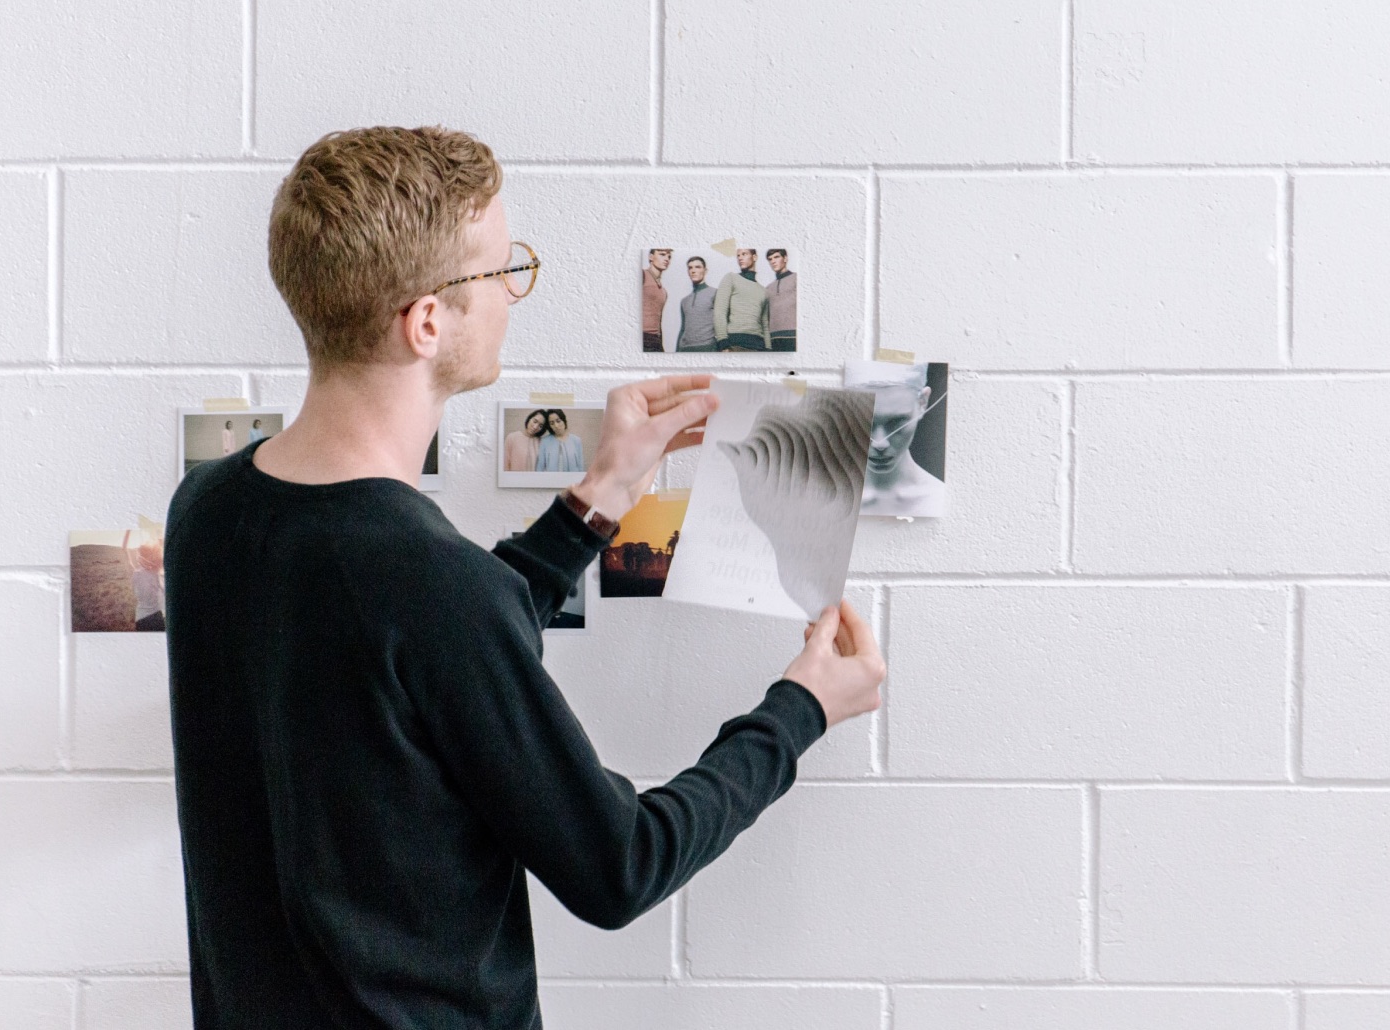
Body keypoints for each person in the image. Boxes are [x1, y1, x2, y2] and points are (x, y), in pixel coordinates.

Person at [163, 125, 885, 1030]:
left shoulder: (208, 511)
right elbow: (620, 864)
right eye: (502, 272)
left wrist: (601, 494)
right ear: (427, 321)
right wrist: (802, 707)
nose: (513, 292)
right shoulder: (426, 585)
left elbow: (431, 658)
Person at [854, 363, 946, 517]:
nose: (880, 443)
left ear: (922, 403)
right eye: (864, 421)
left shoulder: (938, 498)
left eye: (896, 422)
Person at [713, 247, 769, 351]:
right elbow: (720, 311)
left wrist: (768, 348)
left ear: (755, 257)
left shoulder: (764, 291)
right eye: (738, 255)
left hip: (759, 346)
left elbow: (765, 323)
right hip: (735, 343)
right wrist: (722, 342)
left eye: (744, 254)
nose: (740, 258)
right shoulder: (731, 278)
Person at [675, 255, 717, 351]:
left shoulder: (715, 293)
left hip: (707, 347)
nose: (693, 270)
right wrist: (677, 352)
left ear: (705, 271)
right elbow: (682, 329)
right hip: (685, 349)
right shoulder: (684, 301)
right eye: (690, 268)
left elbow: (723, 322)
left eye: (697, 267)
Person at [535, 407, 586, 473]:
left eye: (558, 421)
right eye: (552, 423)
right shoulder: (545, 441)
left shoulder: (576, 440)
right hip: (552, 481)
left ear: (564, 421)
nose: (556, 425)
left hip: (572, 481)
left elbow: (580, 466)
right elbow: (540, 467)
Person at [764, 248, 796, 352]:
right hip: (774, 338)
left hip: (793, 335)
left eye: (776, 257)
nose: (773, 261)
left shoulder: (797, 279)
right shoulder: (768, 288)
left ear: (785, 258)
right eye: (770, 259)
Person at [641, 248, 670, 352]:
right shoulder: (642, 275)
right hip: (642, 338)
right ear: (651, 257)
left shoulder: (663, 291)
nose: (666, 259)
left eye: (669, 256)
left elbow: (658, 320)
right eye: (662, 254)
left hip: (656, 341)